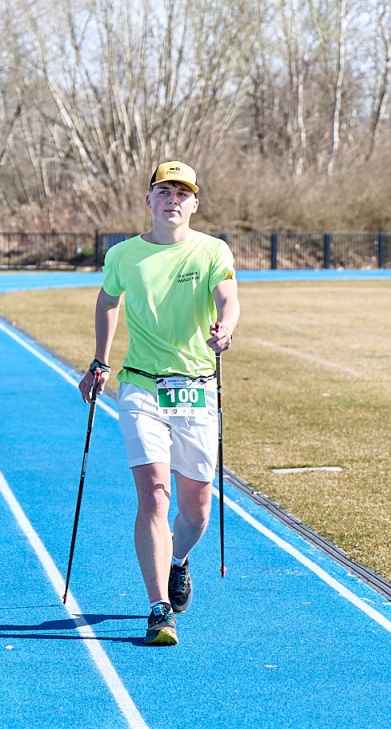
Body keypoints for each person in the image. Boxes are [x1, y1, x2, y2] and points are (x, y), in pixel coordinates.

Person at [78, 161, 241, 646]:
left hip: (195, 388)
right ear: (149, 200)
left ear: (194, 204)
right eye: (164, 191)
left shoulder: (212, 250)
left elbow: (228, 298)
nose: (173, 200)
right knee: (153, 493)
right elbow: (108, 301)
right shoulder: (124, 255)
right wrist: (99, 361)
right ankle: (158, 608)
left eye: (182, 193)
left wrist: (225, 328)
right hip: (141, 386)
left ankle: (178, 560)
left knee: (197, 510)